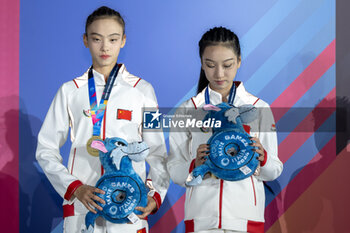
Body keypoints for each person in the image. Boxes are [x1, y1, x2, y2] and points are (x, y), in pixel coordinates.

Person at [36, 6, 169, 233]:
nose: (105, 47)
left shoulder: (144, 90)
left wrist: (154, 194)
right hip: (83, 209)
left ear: (123, 41)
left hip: (129, 209)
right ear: (85, 40)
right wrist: (75, 188)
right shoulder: (70, 91)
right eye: (97, 39)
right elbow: (45, 150)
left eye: (113, 39)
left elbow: (157, 151)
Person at [167, 27, 283, 233]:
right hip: (201, 220)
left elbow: (274, 169)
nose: (219, 74)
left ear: (239, 61)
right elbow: (174, 168)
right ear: (202, 64)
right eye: (210, 65)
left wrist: (262, 157)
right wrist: (195, 164)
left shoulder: (259, 108)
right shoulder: (188, 110)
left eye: (227, 65)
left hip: (246, 220)